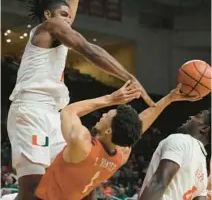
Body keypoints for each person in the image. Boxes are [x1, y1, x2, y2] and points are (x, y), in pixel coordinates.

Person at [7, 0, 154, 200]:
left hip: (51, 113)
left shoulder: (57, 26)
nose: (68, 19)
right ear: (48, 15)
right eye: (63, 15)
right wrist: (129, 77)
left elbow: (68, 17)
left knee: (77, 179)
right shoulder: (48, 28)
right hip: (31, 110)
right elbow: (88, 49)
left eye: (68, 16)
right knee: (32, 190)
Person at [35, 82, 199, 200]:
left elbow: (69, 111)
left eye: (108, 115)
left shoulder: (82, 144)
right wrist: (169, 98)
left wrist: (110, 99)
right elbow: (137, 127)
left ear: (108, 131)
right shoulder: (120, 155)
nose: (103, 114)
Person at [139, 109, 211, 200]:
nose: (191, 117)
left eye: (197, 116)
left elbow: (158, 183)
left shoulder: (180, 140)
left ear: (204, 128)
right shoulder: (203, 168)